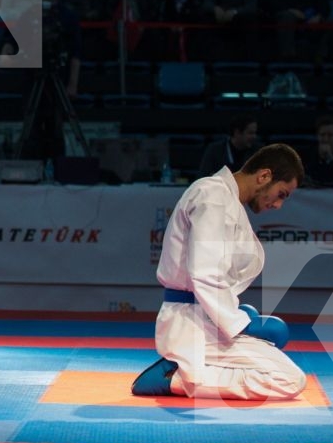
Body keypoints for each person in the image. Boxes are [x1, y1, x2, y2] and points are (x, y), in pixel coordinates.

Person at [131, 142, 307, 401]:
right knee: (290, 380)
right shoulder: (213, 196)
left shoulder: (227, 200)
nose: (278, 205)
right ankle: (176, 378)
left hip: (208, 319)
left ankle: (190, 368)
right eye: (282, 194)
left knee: (274, 357)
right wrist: (240, 324)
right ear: (264, 176)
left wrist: (238, 314)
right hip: (190, 322)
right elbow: (205, 272)